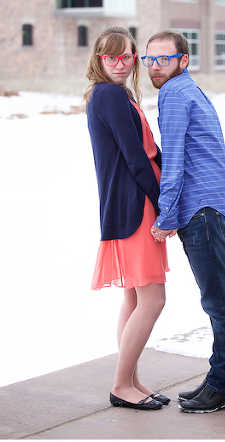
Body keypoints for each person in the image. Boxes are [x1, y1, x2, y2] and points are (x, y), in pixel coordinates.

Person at [143, 30, 225, 414]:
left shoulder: (172, 94)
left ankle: (224, 386)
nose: (155, 66)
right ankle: (220, 379)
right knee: (218, 300)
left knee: (219, 303)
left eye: (163, 59)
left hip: (203, 211)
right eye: (149, 59)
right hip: (216, 207)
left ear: (183, 60)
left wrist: (165, 216)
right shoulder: (191, 91)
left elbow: (175, 163)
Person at [85, 26, 169, 411]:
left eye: (127, 56)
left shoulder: (116, 95)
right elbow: (136, 158)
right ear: (99, 60)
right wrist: (163, 204)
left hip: (127, 206)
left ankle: (131, 379)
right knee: (152, 299)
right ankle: (121, 385)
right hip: (136, 208)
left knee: (135, 298)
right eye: (111, 57)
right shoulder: (109, 95)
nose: (120, 63)